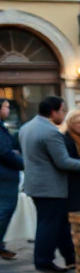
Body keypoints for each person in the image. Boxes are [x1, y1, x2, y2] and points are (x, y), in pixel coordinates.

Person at [19, 96, 80, 273]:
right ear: (53, 111)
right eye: (63, 110)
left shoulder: (26, 127)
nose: (64, 114)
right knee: (49, 224)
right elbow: (63, 161)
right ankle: (43, 260)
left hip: (34, 184)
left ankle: (61, 258)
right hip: (51, 187)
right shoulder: (51, 132)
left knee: (49, 222)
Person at [0, 99, 22, 260]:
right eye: (6, 107)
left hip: (6, 174)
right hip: (5, 176)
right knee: (5, 210)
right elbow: (4, 153)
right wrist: (21, 163)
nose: (8, 110)